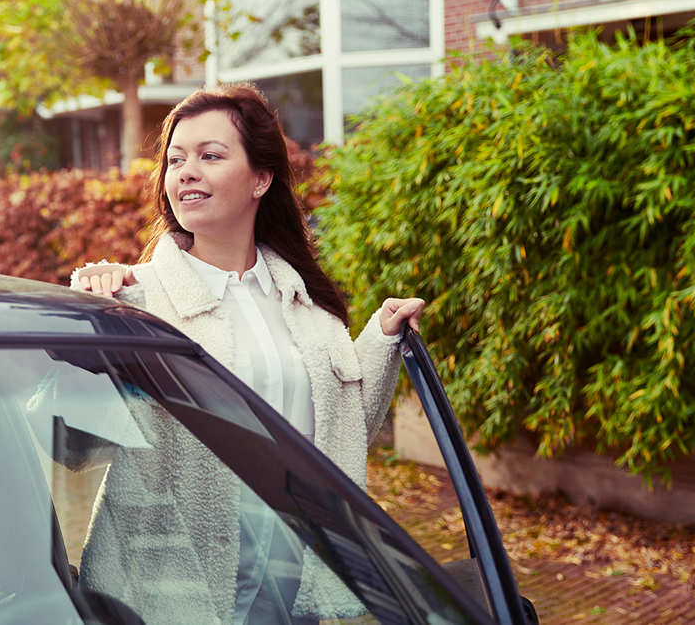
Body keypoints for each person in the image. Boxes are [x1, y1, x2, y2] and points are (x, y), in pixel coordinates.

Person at [65, 82, 425, 625]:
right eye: (176, 159)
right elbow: (76, 447)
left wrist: (382, 339)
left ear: (260, 178)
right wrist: (87, 325)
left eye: (211, 156)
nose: (186, 171)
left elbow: (340, 434)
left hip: (289, 586)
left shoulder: (307, 309)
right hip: (168, 593)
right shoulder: (135, 299)